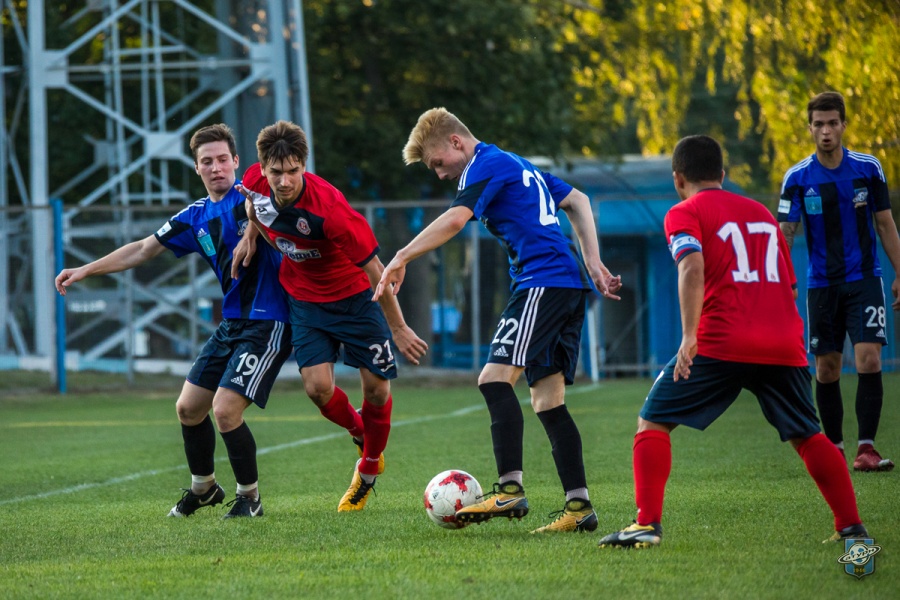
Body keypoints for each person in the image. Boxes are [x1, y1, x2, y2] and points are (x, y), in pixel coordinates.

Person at [598, 135, 868, 549]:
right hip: (783, 342)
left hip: (721, 340)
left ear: (678, 179)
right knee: (808, 433)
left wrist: (689, 336)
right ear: (722, 175)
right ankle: (851, 527)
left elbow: (691, 268)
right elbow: (789, 287)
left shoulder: (684, 212)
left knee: (652, 421)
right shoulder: (761, 214)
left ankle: (646, 524)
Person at [374, 107, 622, 533]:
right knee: (548, 401)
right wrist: (593, 263)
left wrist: (400, 256)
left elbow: (456, 219)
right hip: (564, 284)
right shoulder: (517, 164)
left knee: (493, 379)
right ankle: (579, 507)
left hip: (542, 281)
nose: (440, 174)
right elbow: (577, 200)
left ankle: (510, 489)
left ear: (456, 142)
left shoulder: (483, 165)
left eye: (437, 162)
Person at [55, 124, 293, 519]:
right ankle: (204, 488)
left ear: (236, 161)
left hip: (269, 322)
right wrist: (85, 269)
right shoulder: (194, 216)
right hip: (232, 323)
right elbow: (142, 249)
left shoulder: (258, 197)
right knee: (188, 408)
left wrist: (253, 229)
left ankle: (250, 498)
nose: (216, 167)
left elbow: (281, 208)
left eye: (222, 159)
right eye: (207, 161)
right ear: (196, 167)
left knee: (225, 410)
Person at [237, 120, 428, 512]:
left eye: (293, 171)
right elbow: (252, 207)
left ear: (304, 165)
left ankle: (368, 471)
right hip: (305, 300)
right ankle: (360, 432)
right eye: (276, 172)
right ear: (263, 168)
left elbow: (377, 271)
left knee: (376, 391)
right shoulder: (253, 181)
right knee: (317, 389)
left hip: (356, 298)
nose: (284, 181)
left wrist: (399, 328)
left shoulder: (331, 210)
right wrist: (250, 233)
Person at [779, 91, 900, 472]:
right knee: (827, 368)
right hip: (821, 285)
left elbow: (885, 224)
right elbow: (785, 235)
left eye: (833, 123)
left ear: (844, 125)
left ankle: (866, 450)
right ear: (810, 128)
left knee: (869, 359)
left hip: (865, 279)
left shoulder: (868, 169)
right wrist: (780, 284)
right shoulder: (797, 178)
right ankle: (834, 450)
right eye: (819, 124)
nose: (826, 131)